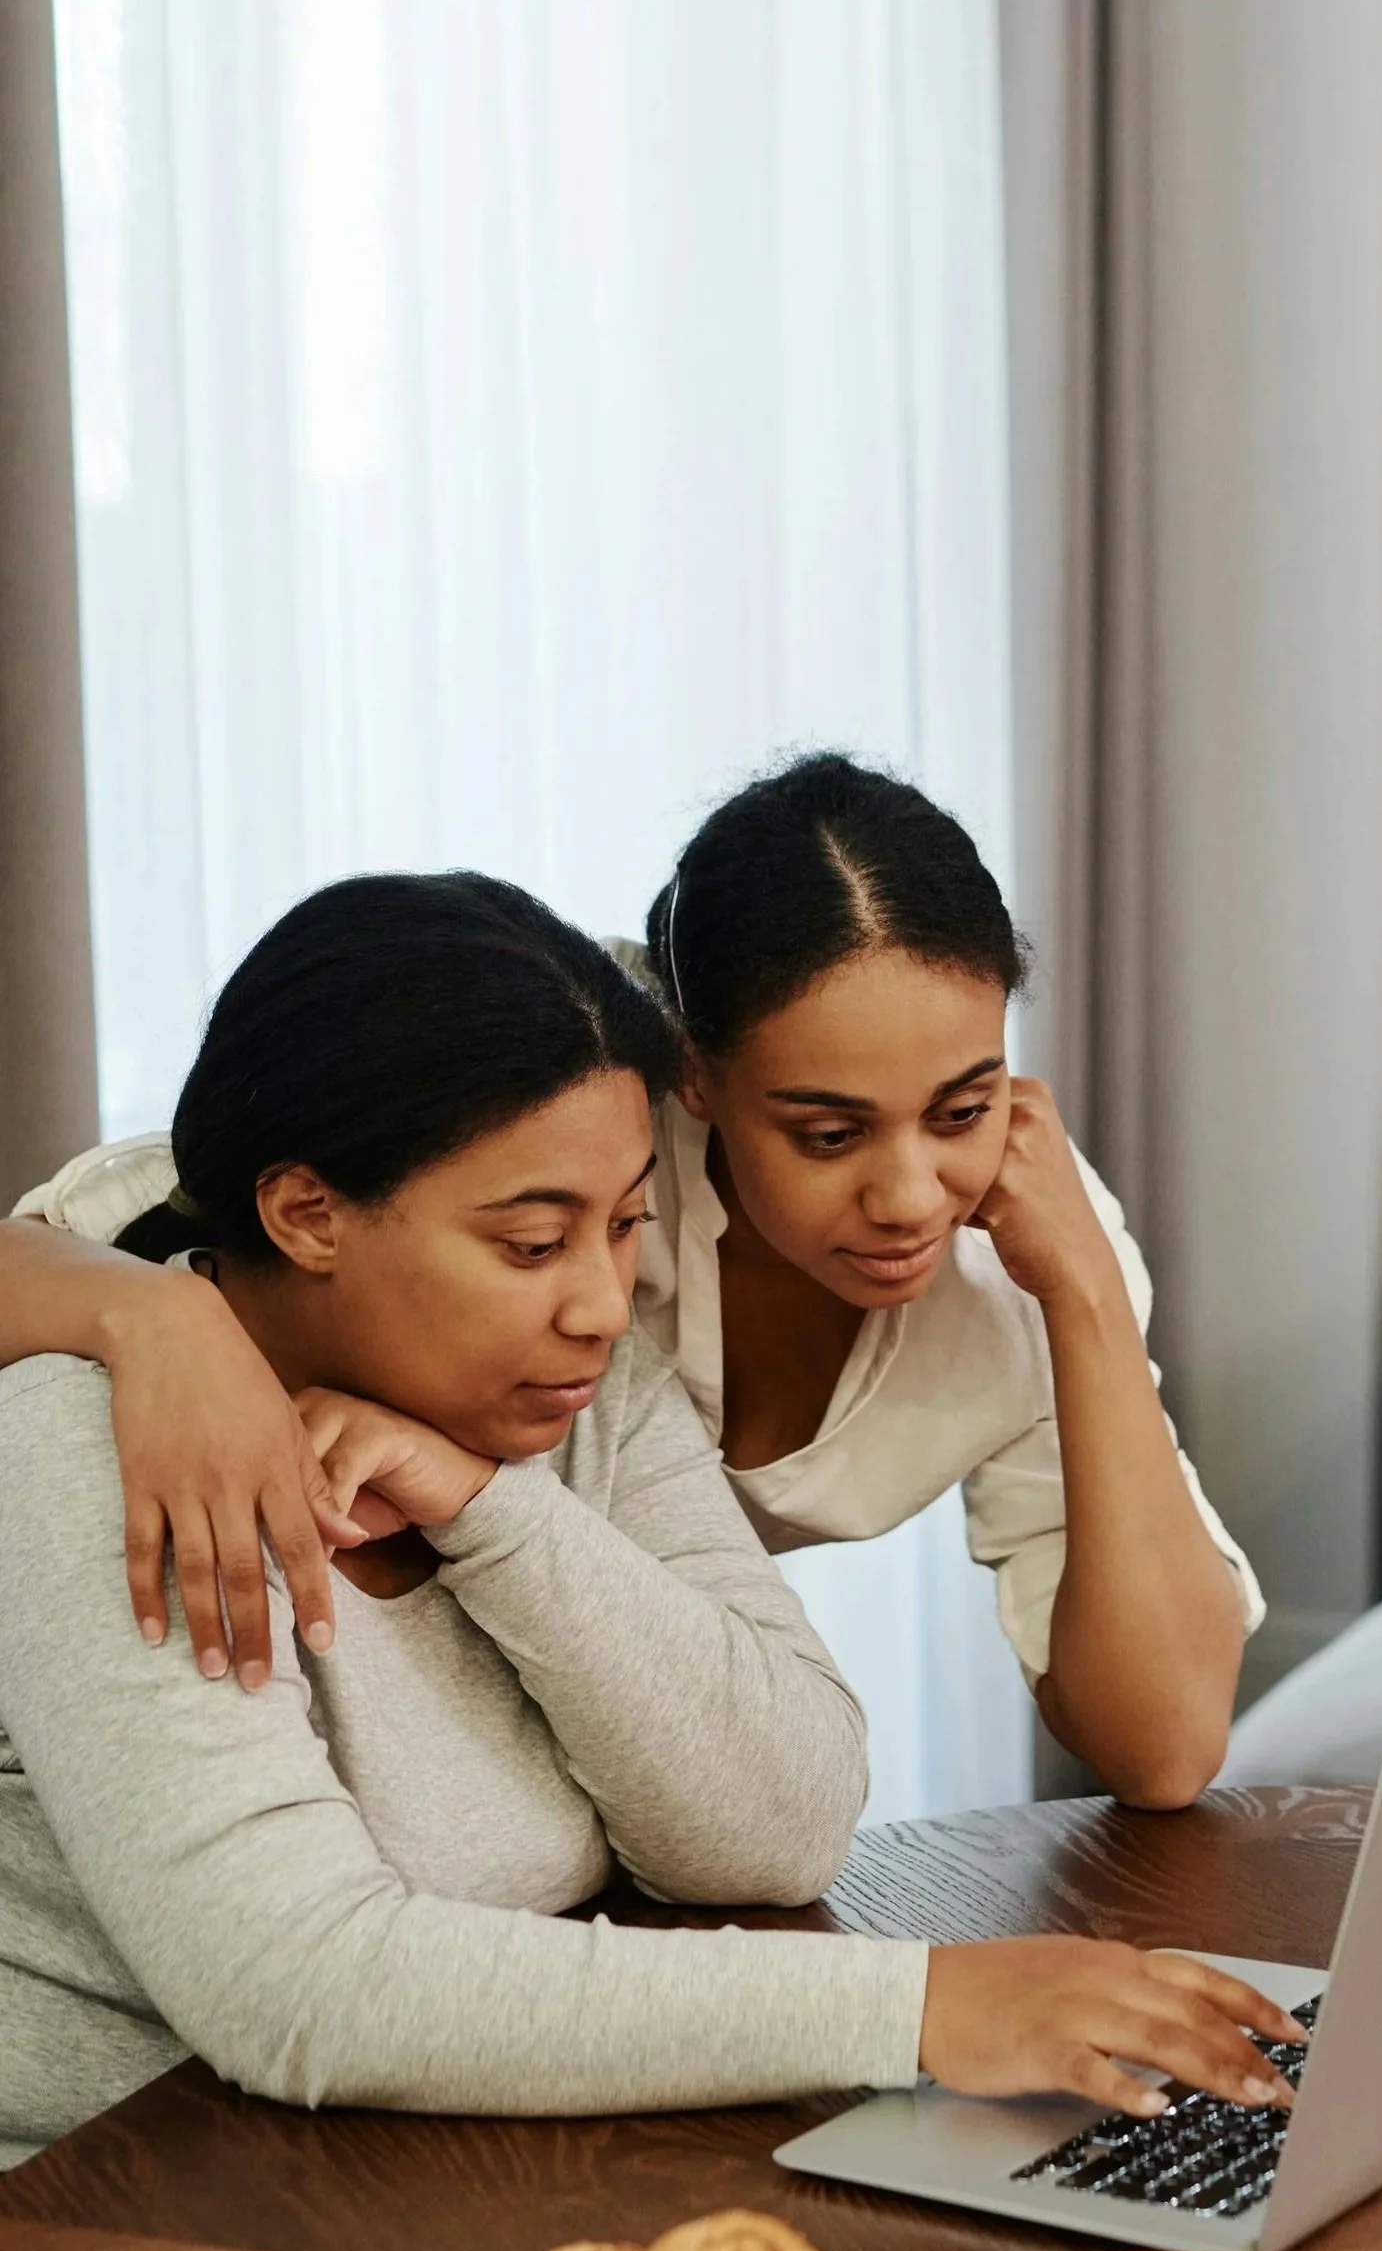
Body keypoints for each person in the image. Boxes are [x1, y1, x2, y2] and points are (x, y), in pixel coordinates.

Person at [0, 873, 1300, 2173]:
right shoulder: (102, 1446)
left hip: (454, 2166)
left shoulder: (577, 1399)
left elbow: (778, 1824)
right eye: (531, 1243)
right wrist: (918, 2008)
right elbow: (298, 1986)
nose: (602, 1306)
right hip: (130, 2202)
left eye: (625, 1224)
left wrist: (491, 1510)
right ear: (305, 1213)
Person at [0, 757, 1260, 1807]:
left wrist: (1087, 1300)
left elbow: (1161, 1750)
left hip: (622, 1737)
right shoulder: (581, 1103)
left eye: (962, 1110)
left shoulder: (1028, 1250)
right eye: (827, 1133)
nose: (910, 1196)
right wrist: (151, 1312)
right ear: (693, 1071)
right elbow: (210, 1198)